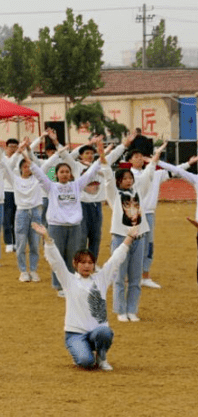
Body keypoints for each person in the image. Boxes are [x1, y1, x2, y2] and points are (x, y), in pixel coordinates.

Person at [33, 222, 140, 370]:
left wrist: (129, 238)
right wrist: (47, 237)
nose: (87, 266)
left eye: (90, 262)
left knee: (105, 332)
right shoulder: (68, 280)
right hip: (75, 334)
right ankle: (83, 353)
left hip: (97, 331)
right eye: (82, 262)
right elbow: (56, 261)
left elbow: (116, 259)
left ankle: (101, 357)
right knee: (86, 362)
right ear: (75, 264)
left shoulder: (101, 279)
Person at [26, 136, 104, 296]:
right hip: (56, 226)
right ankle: (59, 286)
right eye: (61, 172)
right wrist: (25, 156)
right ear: (56, 174)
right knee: (57, 257)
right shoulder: (51, 187)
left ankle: (71, 285)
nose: (65, 174)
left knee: (72, 257)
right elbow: (39, 173)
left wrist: (102, 155)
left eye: (67, 172)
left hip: (74, 226)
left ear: (70, 174)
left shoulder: (77, 185)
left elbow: (90, 174)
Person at [103, 142, 163, 322]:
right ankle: (121, 310)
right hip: (121, 238)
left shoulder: (138, 191)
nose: (129, 181)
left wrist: (155, 157)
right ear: (119, 181)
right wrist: (103, 157)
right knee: (120, 276)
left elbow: (148, 173)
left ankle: (132, 309)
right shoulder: (114, 195)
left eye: (130, 178)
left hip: (140, 237)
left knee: (135, 278)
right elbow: (107, 178)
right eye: (125, 179)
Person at [0, 140, 45, 281]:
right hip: (22, 213)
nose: (27, 168)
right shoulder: (15, 179)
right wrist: (17, 153)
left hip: (35, 212)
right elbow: (6, 167)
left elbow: (46, 166)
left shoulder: (37, 179)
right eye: (24, 166)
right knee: (21, 243)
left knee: (35, 244)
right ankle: (23, 271)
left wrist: (28, 153)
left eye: (29, 166)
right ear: (20, 168)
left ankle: (34, 270)